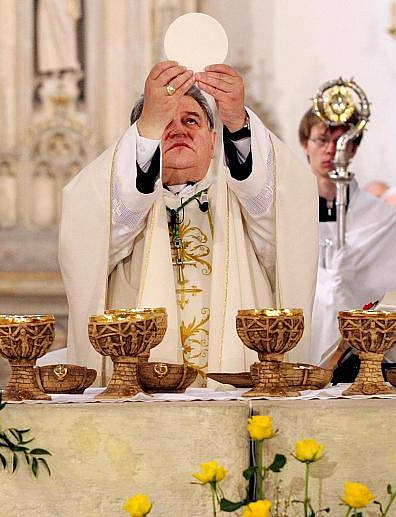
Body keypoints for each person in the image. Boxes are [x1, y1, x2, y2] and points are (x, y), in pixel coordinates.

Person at [60, 61, 317, 381]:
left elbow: (287, 215)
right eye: (165, 122)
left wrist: (237, 121)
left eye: (191, 120)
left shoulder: (243, 201)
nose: (178, 129)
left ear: (213, 141)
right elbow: (87, 237)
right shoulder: (123, 204)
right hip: (137, 389)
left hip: (234, 382)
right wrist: (149, 124)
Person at [298, 109, 396, 364]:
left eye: (342, 141)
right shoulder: (285, 210)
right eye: (322, 140)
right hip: (300, 346)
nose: (332, 150)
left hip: (365, 359)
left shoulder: (381, 216)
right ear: (305, 144)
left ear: (353, 149)